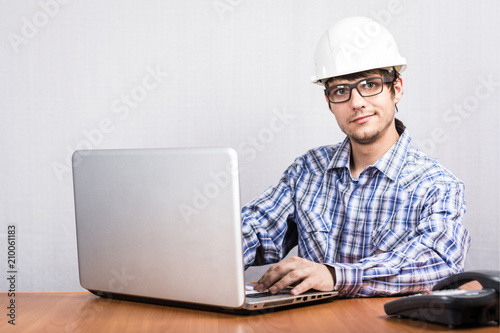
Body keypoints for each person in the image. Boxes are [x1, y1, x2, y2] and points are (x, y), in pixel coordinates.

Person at [241, 16, 471, 298]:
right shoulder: (307, 170)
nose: (357, 102)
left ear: (395, 89)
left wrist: (335, 276)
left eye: (370, 85)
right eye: (341, 90)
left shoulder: (437, 186)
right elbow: (256, 227)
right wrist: (211, 251)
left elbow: (439, 261)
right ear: (328, 102)